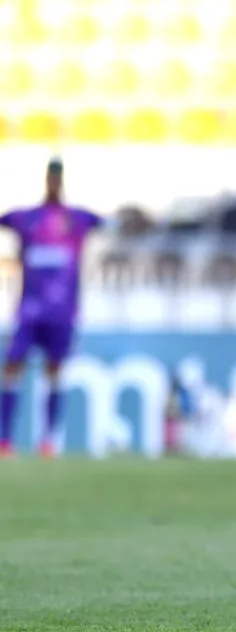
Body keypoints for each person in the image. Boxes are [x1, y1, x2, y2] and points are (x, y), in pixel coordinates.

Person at [0, 158, 104, 458]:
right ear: (45, 180)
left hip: (62, 312)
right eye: (51, 177)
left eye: (58, 177)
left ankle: (49, 441)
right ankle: (5, 440)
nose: (54, 183)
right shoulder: (26, 218)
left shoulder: (77, 219)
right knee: (12, 368)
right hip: (29, 310)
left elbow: (115, 223)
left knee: (55, 372)